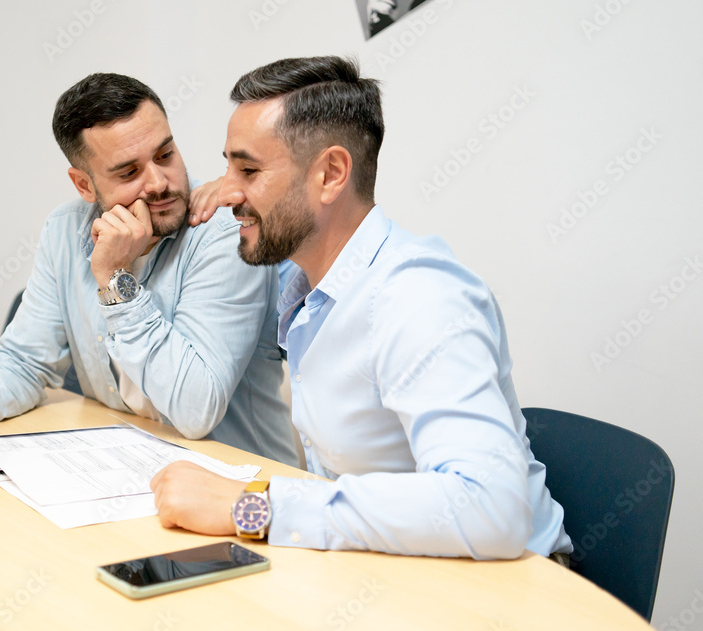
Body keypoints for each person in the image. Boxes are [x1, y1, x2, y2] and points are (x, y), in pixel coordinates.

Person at [151, 56, 572, 560]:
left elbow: (490, 509)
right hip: (394, 564)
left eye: (248, 169)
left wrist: (252, 507)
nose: (224, 193)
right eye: (227, 167)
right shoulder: (309, 285)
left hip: (513, 586)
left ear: (330, 175)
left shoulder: (418, 298)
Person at [0, 73, 297, 466]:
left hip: (242, 486)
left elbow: (195, 410)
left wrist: (116, 280)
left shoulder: (225, 232)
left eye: (165, 155)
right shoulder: (66, 231)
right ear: (84, 185)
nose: (159, 182)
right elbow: (25, 362)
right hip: (132, 472)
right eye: (129, 172)